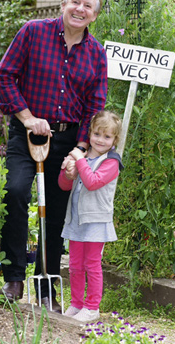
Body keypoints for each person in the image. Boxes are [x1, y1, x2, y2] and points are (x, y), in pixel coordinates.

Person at [0, 0, 108, 313]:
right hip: (27, 133)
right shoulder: (33, 32)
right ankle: (13, 278)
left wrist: (81, 148)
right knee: (15, 192)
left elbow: (95, 104)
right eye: (75, 2)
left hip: (66, 142)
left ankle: (46, 286)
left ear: (94, 16)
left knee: (56, 213)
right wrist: (28, 117)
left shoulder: (96, 53)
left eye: (87, 6)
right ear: (63, 5)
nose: (80, 9)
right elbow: (4, 75)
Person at [58, 110, 123, 323]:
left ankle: (92, 307)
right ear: (90, 134)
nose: (100, 140)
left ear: (115, 139)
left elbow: (92, 182)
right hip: (77, 219)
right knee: (75, 264)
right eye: (96, 134)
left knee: (91, 264)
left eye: (107, 136)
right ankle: (76, 304)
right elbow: (65, 185)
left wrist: (78, 160)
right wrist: (68, 171)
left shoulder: (111, 162)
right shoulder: (83, 158)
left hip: (96, 221)